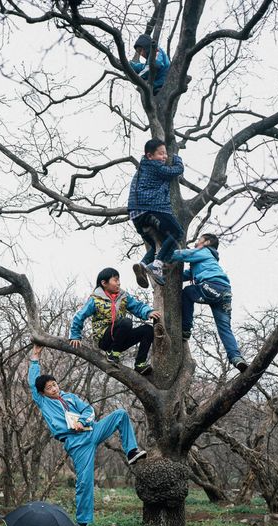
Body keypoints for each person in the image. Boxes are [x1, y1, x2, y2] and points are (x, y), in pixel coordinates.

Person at [29, 344, 147, 526]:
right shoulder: (43, 402)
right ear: (43, 392)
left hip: (92, 431)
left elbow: (88, 410)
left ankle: (131, 451)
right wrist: (35, 357)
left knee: (120, 414)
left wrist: (83, 422)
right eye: (49, 388)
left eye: (54, 384)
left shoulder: (70, 397)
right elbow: (33, 383)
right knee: (84, 483)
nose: (54, 388)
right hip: (77, 444)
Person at [171, 233, 249, 373]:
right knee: (224, 328)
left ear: (206, 242)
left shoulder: (203, 251)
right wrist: (166, 274)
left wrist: (162, 255)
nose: (196, 243)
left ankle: (186, 329)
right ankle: (236, 358)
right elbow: (183, 275)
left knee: (188, 292)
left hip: (213, 287)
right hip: (224, 292)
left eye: (199, 240)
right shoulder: (207, 259)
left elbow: (181, 254)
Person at [70, 267, 161, 375]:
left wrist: (148, 312)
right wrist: (75, 335)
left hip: (120, 338)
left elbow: (138, 307)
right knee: (126, 322)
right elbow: (80, 316)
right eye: (115, 280)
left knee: (148, 330)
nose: (119, 283)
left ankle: (139, 364)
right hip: (105, 339)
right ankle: (112, 354)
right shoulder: (95, 300)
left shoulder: (123, 297)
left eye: (119, 280)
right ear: (104, 283)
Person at [128, 139, 185, 287]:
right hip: (151, 208)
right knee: (176, 233)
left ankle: (142, 265)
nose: (164, 157)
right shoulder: (154, 166)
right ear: (149, 155)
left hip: (136, 214)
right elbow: (175, 171)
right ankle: (157, 265)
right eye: (161, 154)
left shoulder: (142, 169)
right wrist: (177, 160)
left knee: (155, 245)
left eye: (165, 153)